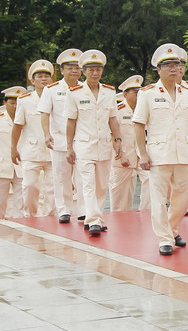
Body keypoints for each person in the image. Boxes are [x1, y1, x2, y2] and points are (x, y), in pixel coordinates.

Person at [133, 44, 188, 255]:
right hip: (158, 154)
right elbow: (139, 124)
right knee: (158, 198)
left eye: (176, 64)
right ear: (158, 70)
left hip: (184, 152)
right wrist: (142, 153)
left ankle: (171, 227)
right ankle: (164, 239)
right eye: (167, 65)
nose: (173, 69)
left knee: (185, 194)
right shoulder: (148, 94)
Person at [65, 50, 122, 236]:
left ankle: (94, 216)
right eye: (91, 70)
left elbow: (113, 118)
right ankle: (94, 219)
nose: (95, 73)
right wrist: (68, 147)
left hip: (104, 145)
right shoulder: (74, 93)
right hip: (84, 145)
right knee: (87, 183)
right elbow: (71, 121)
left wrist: (118, 140)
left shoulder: (109, 92)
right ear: (84, 72)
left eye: (98, 69)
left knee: (101, 184)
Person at [39, 48, 83, 224]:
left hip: (82, 138)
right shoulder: (51, 89)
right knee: (61, 175)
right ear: (62, 70)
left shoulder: (85, 88)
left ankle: (83, 210)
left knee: (82, 176)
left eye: (77, 67)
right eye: (69, 67)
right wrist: (46, 134)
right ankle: (64, 209)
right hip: (59, 138)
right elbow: (44, 112)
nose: (74, 70)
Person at [12, 60, 56, 217]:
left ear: (51, 79)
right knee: (30, 186)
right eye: (39, 76)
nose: (43, 79)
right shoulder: (24, 100)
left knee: (53, 187)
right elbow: (17, 126)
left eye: (46, 76)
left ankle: (51, 217)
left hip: (53, 149)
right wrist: (13, 148)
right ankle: (30, 216)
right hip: (31, 150)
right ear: (32, 80)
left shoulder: (57, 97)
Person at [109, 75, 151, 212]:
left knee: (151, 181)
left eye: (140, 92)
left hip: (142, 155)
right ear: (125, 94)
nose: (138, 95)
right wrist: (120, 155)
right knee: (121, 195)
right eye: (135, 92)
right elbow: (111, 135)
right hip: (123, 156)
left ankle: (146, 212)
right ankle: (118, 219)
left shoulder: (145, 109)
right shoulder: (118, 110)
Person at [0, 86, 27, 219]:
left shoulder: (27, 118)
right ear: (5, 103)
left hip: (21, 164)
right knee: (0, 201)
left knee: (21, 201)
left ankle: (20, 227)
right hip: (2, 165)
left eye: (18, 103)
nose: (15, 106)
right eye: (12, 103)